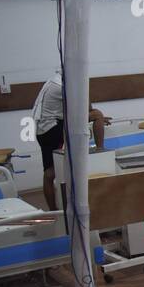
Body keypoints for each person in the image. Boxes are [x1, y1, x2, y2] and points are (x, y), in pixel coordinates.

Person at [32, 70, 109, 210]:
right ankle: (100, 150)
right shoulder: (62, 86)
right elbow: (86, 108)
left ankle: (53, 211)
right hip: (52, 127)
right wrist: (84, 89)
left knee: (49, 173)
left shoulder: (55, 80)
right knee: (98, 115)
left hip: (42, 129)